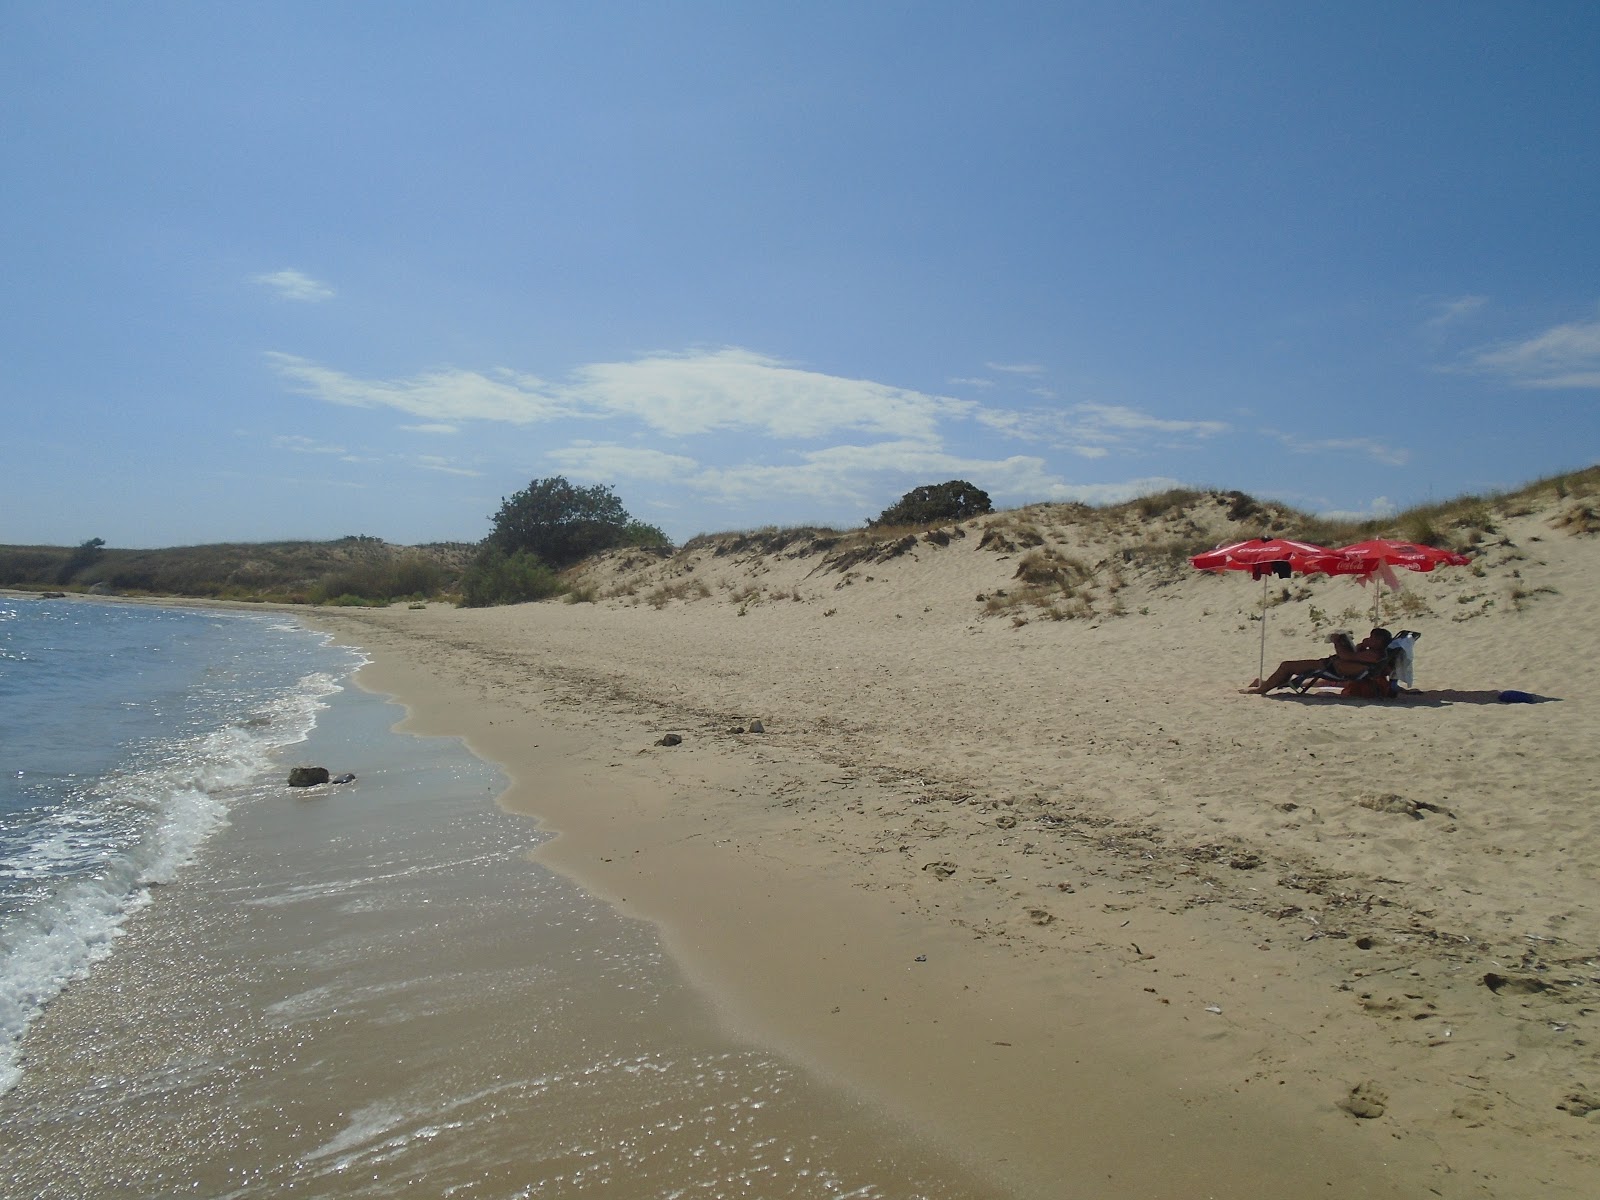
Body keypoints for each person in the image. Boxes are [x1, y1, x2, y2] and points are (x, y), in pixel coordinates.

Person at [1241, 627, 1393, 695]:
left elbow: (1346, 657)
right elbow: (1354, 656)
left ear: (1379, 641)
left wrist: (1336, 641)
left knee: (1287, 666)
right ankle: (1266, 683)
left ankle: (1262, 689)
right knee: (1290, 668)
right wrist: (1361, 645)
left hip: (1331, 669)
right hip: (1334, 667)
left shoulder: (1373, 655)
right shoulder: (1373, 653)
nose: (1370, 639)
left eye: (1373, 638)